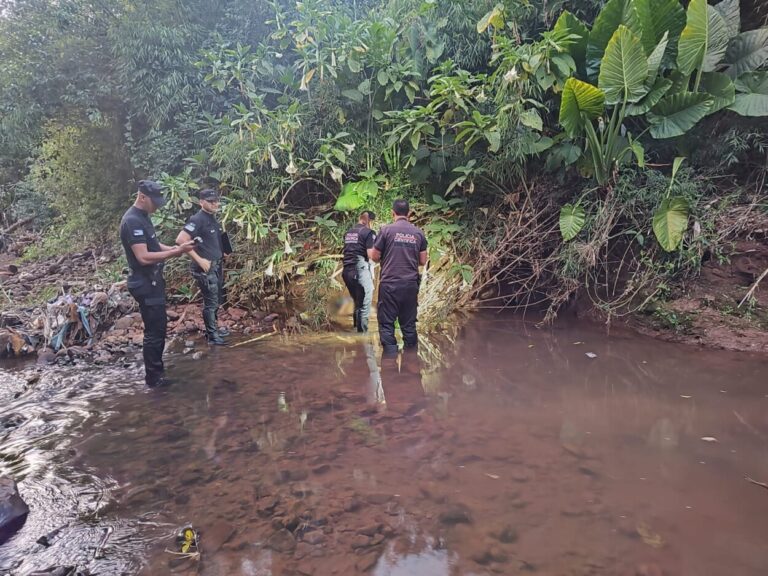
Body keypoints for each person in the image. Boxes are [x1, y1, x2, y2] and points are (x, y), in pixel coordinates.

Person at [119, 180, 194, 387]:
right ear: (142, 197)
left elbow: (152, 244)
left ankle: (156, 373)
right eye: (155, 201)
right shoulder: (132, 221)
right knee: (154, 331)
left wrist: (174, 248)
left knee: (159, 328)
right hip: (144, 282)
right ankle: (154, 379)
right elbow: (143, 257)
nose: (157, 206)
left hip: (152, 281)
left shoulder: (143, 217)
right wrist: (173, 253)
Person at [370, 199, 428, 356]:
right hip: (410, 285)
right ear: (409, 214)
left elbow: (375, 257)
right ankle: (411, 364)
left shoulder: (386, 231)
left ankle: (390, 366)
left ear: (392, 213)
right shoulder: (418, 233)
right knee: (408, 325)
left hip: (390, 285)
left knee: (387, 324)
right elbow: (423, 261)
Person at [175, 189, 230, 345]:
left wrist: (223, 251)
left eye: (216, 201)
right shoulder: (197, 219)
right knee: (211, 302)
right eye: (211, 201)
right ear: (201, 202)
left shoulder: (212, 218)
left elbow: (212, 239)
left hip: (216, 264)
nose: (215, 204)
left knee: (217, 299)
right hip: (205, 267)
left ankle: (215, 330)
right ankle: (212, 336)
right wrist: (200, 260)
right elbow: (181, 240)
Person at [342, 210, 376, 333]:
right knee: (365, 305)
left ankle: (356, 330)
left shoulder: (348, 233)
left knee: (357, 301)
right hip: (360, 271)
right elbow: (371, 255)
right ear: (369, 221)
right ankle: (363, 339)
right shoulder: (368, 233)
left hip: (347, 272)